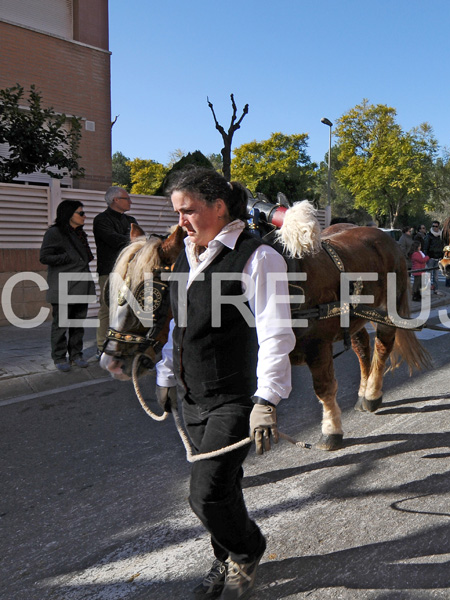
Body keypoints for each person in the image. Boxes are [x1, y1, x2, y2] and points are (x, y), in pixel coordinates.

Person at [154, 167, 295, 600]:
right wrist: (165, 373)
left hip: (234, 397)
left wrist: (267, 399)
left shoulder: (258, 258)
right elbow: (181, 322)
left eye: (189, 210)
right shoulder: (186, 254)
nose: (181, 220)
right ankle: (227, 555)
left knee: (205, 494)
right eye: (178, 211)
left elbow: (276, 332)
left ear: (218, 207)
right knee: (225, 485)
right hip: (193, 395)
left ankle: (247, 549)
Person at [39, 200, 96, 371]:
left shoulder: (79, 233)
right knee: (61, 324)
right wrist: (66, 257)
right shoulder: (55, 233)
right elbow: (45, 257)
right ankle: (59, 357)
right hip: (64, 285)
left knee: (78, 324)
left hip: (81, 284)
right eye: (81, 213)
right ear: (69, 214)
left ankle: (76, 355)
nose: (84, 216)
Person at [93, 186, 139, 356]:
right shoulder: (101, 220)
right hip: (110, 271)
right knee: (107, 309)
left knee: (129, 309)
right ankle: (102, 347)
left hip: (130, 271)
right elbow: (114, 239)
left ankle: (124, 344)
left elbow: (138, 239)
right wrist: (134, 239)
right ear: (116, 200)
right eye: (127, 198)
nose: (130, 201)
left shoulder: (130, 220)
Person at [424, 219, 450, 287]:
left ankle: (435, 290)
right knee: (428, 274)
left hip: (438, 258)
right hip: (430, 258)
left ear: (438, 227)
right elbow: (425, 247)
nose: (435, 227)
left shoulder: (441, 236)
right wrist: (426, 257)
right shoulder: (429, 236)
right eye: (433, 226)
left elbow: (443, 246)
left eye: (436, 226)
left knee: (436, 276)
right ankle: (427, 289)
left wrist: (442, 256)